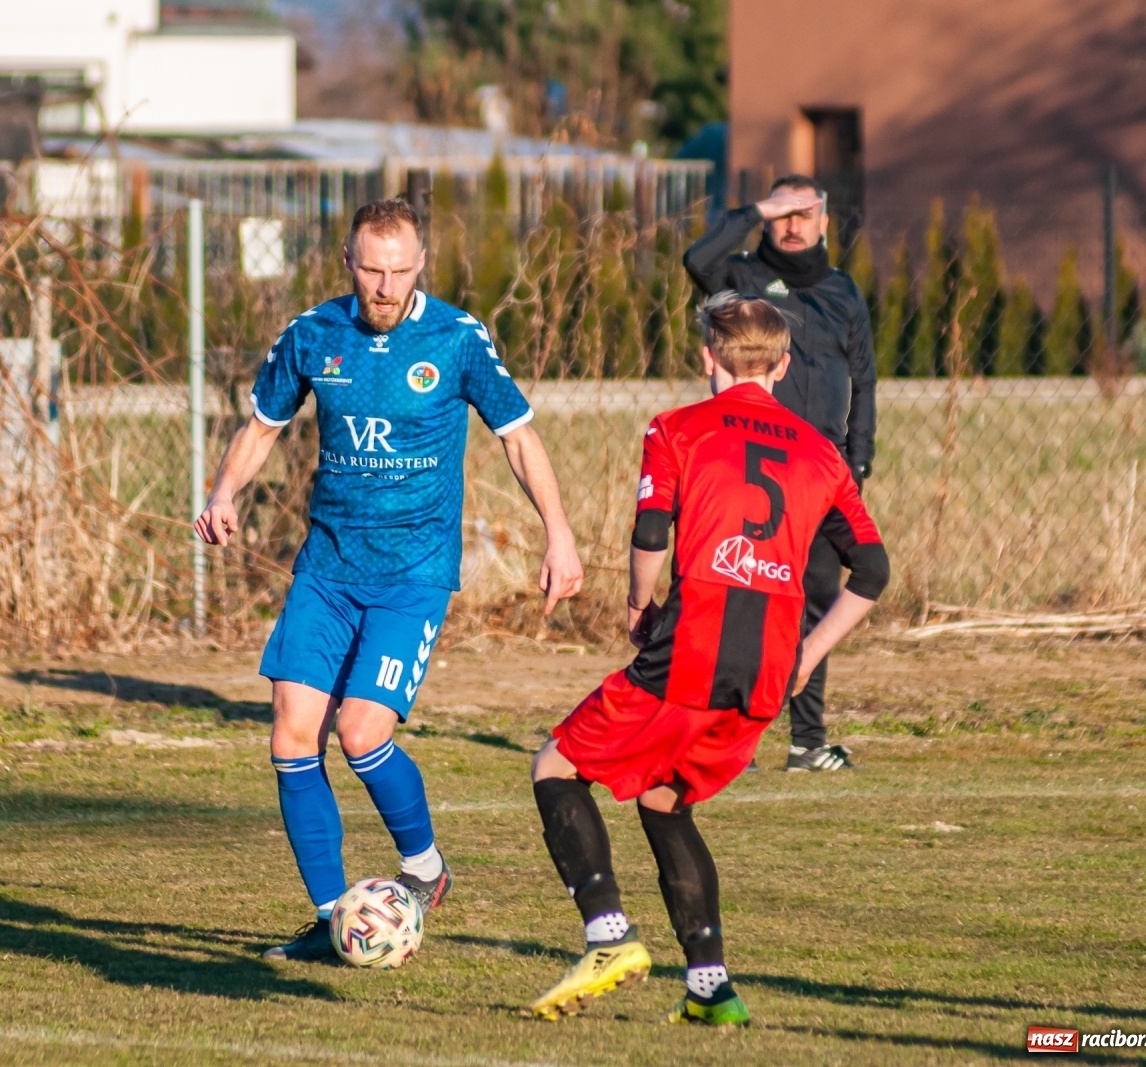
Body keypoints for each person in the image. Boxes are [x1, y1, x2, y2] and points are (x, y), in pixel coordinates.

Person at [195, 198, 585, 962]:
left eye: (400, 271)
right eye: (372, 270)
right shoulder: (314, 334)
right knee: (291, 734)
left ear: (420, 266)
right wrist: (223, 492)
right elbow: (263, 426)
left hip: (413, 571)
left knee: (362, 731)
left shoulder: (456, 337)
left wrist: (559, 535)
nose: (385, 286)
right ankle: (331, 919)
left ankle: (426, 868)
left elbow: (519, 438)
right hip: (328, 568)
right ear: (348, 261)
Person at [525, 293, 889, 1025]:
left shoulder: (677, 428)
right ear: (782, 366)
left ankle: (608, 936)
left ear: (706, 358)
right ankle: (710, 987)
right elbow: (874, 571)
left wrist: (639, 605)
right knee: (664, 799)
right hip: (768, 668)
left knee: (555, 766)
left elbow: (650, 531)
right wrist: (808, 653)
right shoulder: (822, 454)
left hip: (692, 646)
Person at [683, 175, 877, 772]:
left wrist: (858, 460)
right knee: (737, 598)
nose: (794, 224)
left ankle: (807, 741)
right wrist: (756, 209)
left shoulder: (843, 291)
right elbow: (697, 260)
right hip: (750, 470)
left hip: (820, 474)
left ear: (825, 223)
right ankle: (719, 732)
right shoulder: (741, 279)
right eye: (783, 213)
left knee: (817, 598)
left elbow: (865, 380)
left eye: (805, 212)